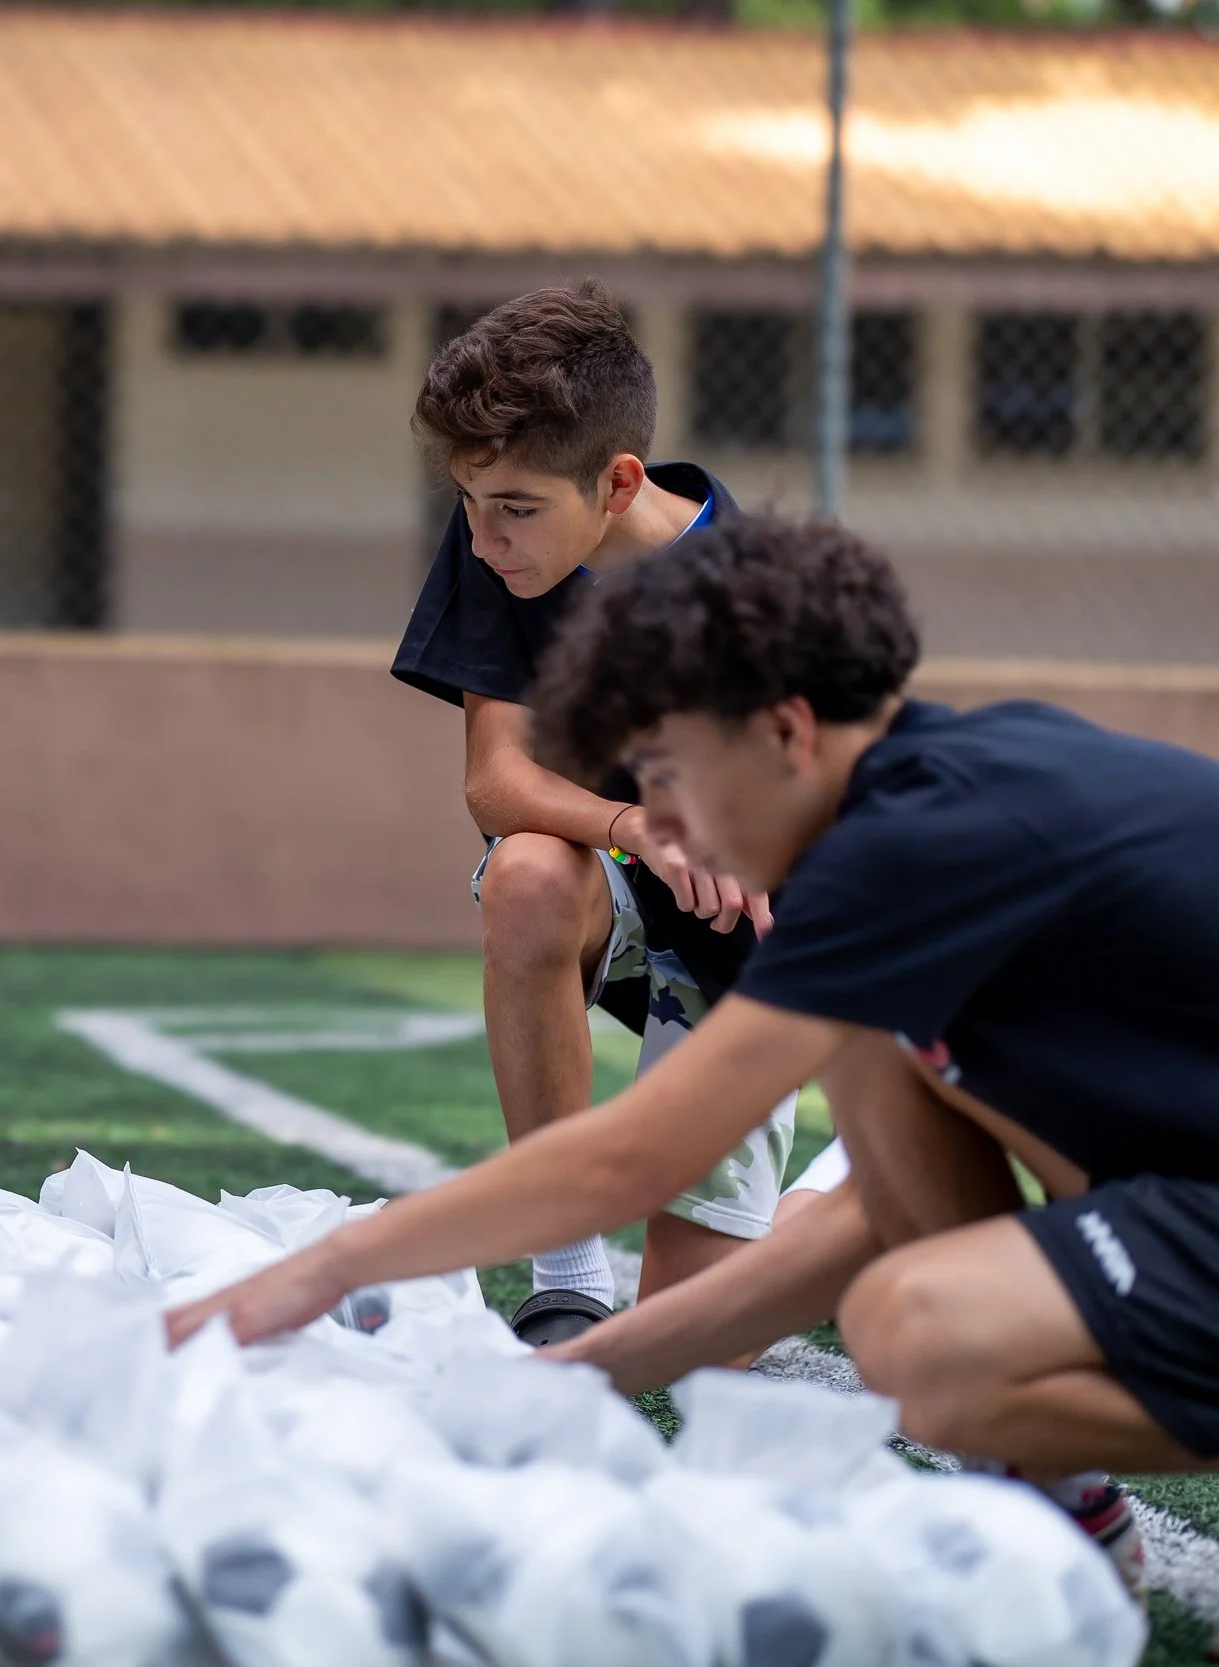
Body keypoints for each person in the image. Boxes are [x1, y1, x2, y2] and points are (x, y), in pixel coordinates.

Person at [172, 516, 1219, 1579]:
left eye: (668, 771)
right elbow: (873, 1217)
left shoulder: (908, 848)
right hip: (1175, 1186)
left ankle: (1056, 1490)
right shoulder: (936, 791)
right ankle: (1063, 1501)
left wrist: (314, 1271)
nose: (663, 820)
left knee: (917, 1334)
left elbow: (626, 1158)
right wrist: (578, 1374)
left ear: (785, 731)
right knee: (876, 1084)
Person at [392, 280, 787, 1344]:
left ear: (617, 482)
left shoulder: (748, 589)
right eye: (467, 501)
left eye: (512, 508)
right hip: (613, 881)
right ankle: (565, 1263)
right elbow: (496, 779)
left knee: (696, 1345)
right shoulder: (503, 531)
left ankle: (820, 1205)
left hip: (748, 942)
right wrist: (636, 827)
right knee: (524, 871)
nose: (482, 539)